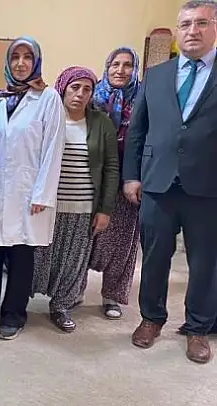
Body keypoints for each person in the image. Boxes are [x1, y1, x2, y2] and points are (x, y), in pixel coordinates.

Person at [124, 0, 217, 364]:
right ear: (177, 31)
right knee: (154, 258)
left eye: (201, 23)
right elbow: (137, 130)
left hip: (208, 188)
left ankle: (198, 328)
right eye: (186, 24)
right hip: (157, 183)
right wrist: (132, 176)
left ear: (214, 28)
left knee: (205, 263)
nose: (192, 31)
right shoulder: (157, 75)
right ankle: (151, 319)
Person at [0, 36, 66, 340]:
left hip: (28, 193)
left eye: (27, 57)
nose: (21, 63)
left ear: (36, 62)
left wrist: (43, 194)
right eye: (15, 57)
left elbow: (53, 149)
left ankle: (13, 313)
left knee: (21, 256)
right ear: (7, 63)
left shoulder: (49, 99)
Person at [32, 66, 119, 333]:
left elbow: (111, 168)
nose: (80, 94)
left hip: (83, 207)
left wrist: (105, 210)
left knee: (74, 262)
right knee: (39, 259)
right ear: (63, 88)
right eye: (75, 87)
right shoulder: (49, 117)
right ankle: (22, 302)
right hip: (48, 206)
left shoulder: (101, 123)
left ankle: (61, 306)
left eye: (87, 89)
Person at [86, 47, 142, 320]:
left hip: (128, 181)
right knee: (86, 238)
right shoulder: (91, 98)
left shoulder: (143, 99)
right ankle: (73, 290)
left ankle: (112, 296)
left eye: (127, 65)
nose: (120, 70)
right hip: (93, 179)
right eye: (115, 64)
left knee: (122, 243)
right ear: (106, 67)